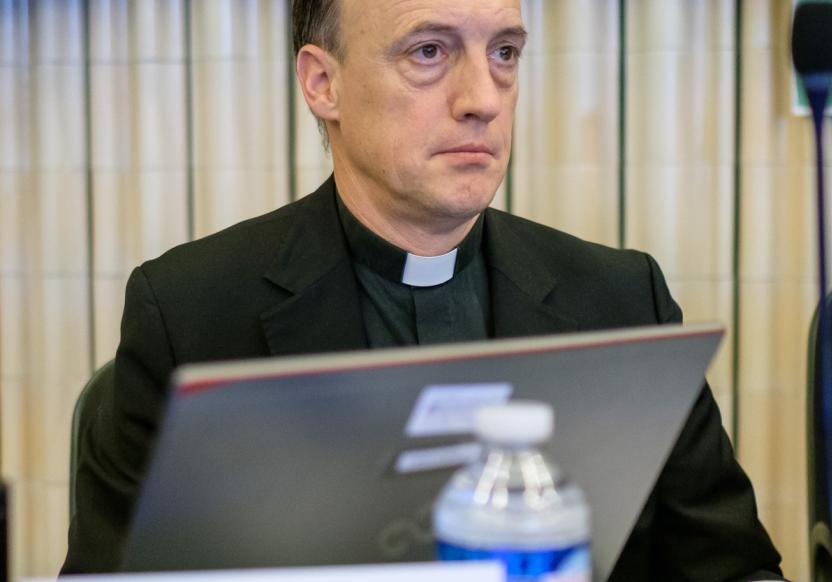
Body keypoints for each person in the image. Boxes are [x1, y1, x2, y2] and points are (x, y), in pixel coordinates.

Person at [63, 0, 785, 579]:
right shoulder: (190, 313)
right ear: (323, 83)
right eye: (429, 52)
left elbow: (734, 568)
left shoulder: (624, 302)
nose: (483, 99)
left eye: (505, 53)